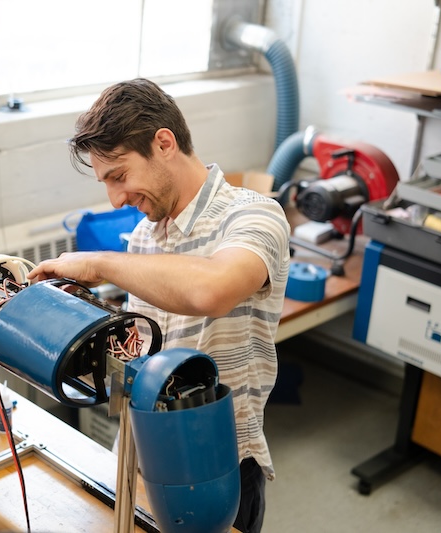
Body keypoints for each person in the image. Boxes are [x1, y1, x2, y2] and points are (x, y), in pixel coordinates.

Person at [27, 78, 290, 533]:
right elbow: (140, 355)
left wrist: (99, 262)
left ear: (164, 143)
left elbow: (212, 290)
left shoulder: (253, 215)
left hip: (218, 465)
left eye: (119, 176)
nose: (115, 198)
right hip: (141, 457)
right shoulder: (147, 236)